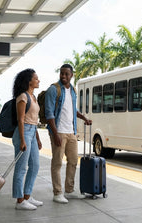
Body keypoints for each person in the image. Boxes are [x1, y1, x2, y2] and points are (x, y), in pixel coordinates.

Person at [45, 64, 92, 203]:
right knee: (57, 163)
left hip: (71, 132)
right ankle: (57, 193)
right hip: (58, 131)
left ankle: (69, 190)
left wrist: (84, 118)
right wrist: (55, 134)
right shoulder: (53, 89)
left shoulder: (72, 90)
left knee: (72, 161)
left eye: (66, 74)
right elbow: (49, 114)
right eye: (61, 73)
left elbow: (73, 109)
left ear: (71, 75)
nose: (63, 76)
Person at [12, 68, 43, 210]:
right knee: (21, 168)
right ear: (29, 81)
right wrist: (23, 140)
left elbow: (34, 120)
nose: (38, 80)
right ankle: (19, 201)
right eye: (36, 78)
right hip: (23, 133)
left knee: (35, 165)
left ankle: (27, 196)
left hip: (32, 132)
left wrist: (37, 138)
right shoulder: (23, 97)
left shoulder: (33, 97)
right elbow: (21, 119)